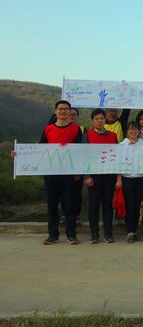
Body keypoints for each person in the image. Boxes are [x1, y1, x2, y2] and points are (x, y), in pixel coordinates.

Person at [39, 100, 83, 245]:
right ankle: (53, 235)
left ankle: (71, 235)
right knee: (52, 205)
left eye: (66, 109)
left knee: (69, 205)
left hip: (69, 173)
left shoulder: (76, 129)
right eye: (60, 109)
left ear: (70, 112)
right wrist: (19, 155)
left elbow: (79, 151)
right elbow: (39, 149)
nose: (63, 111)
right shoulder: (48, 129)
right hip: (51, 173)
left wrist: (78, 171)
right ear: (55, 111)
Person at [83, 108, 118, 244]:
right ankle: (94, 234)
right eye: (96, 119)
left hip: (109, 175)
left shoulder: (113, 136)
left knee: (108, 205)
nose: (99, 121)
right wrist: (87, 176)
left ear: (105, 120)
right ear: (92, 121)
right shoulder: (87, 135)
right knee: (93, 205)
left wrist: (117, 177)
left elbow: (117, 156)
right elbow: (83, 156)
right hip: (94, 176)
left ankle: (108, 234)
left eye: (102, 118)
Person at [116, 122, 143, 243]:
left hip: (141, 177)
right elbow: (118, 163)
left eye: (135, 129)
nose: (133, 131)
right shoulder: (121, 145)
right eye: (130, 129)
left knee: (137, 204)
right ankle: (129, 231)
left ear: (139, 131)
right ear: (127, 131)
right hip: (127, 177)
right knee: (129, 205)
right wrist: (119, 179)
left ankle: (135, 231)